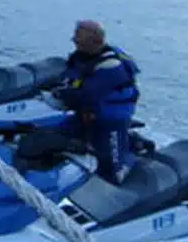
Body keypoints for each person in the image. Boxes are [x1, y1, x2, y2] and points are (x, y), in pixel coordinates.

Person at [55, 20, 141, 184]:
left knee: (112, 172)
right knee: (55, 138)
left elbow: (87, 95)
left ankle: (132, 151)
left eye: (78, 40)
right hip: (86, 115)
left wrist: (63, 95)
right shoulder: (80, 57)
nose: (74, 42)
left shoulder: (111, 66)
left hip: (110, 119)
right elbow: (69, 80)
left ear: (94, 42)